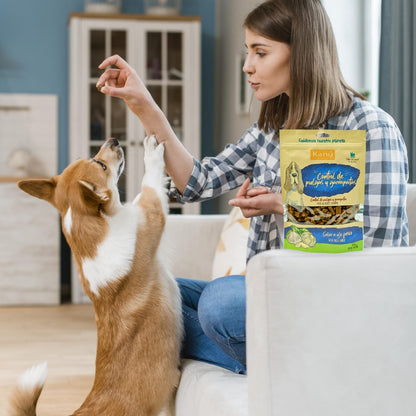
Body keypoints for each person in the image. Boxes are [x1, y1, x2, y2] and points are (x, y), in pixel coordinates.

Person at [96, 0, 409, 375]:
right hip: (272, 293)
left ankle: (305, 363)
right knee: (138, 293)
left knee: (221, 304)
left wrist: (283, 204)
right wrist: (143, 103)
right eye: (248, 53)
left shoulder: (372, 128)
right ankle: (281, 361)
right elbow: (198, 181)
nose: (248, 66)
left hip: (337, 301)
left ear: (304, 53)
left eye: (260, 52)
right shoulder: (271, 130)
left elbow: (378, 244)